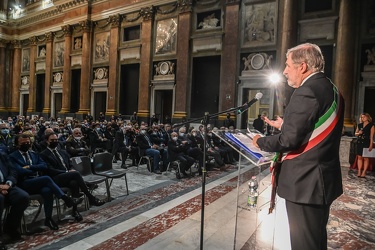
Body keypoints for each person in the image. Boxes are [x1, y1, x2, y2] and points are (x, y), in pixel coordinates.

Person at [252, 43, 345, 250]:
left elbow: (288, 141)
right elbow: (314, 128)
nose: (284, 71)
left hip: (306, 183)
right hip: (321, 180)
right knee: (315, 240)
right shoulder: (331, 89)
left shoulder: (306, 91)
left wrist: (259, 141)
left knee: (304, 244)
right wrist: (286, 124)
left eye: (287, 65)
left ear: (302, 66)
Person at [9, 134, 82, 230]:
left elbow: (43, 166)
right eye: (24, 143)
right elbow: (19, 171)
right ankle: (66, 198)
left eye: (28, 142)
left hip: (37, 181)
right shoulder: (12, 157)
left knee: (47, 190)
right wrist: (35, 169)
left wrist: (30, 167)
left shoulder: (33, 154)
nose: (26, 144)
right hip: (24, 183)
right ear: (17, 144)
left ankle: (48, 219)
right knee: (46, 178)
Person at [0, 152, 29, 247]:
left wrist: (8, 184)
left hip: (6, 185)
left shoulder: (2, 155)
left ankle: (10, 227)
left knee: (23, 197)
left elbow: (13, 171)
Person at [354, 113, 374, 177]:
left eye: (364, 117)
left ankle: (364, 172)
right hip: (360, 142)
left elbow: (371, 136)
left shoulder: (371, 125)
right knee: (359, 157)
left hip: (366, 142)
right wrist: (358, 133)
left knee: (366, 158)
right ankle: (359, 171)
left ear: (368, 117)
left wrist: (371, 144)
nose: (363, 118)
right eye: (362, 117)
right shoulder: (359, 125)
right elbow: (355, 133)